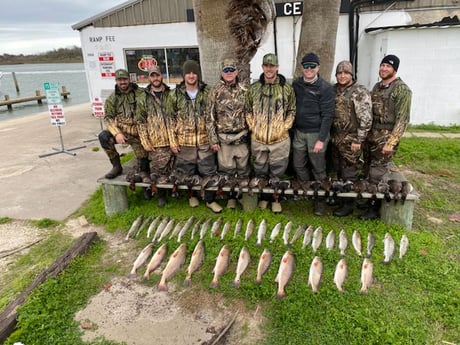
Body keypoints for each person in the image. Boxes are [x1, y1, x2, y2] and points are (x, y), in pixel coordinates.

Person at [360, 54, 412, 220]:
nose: (384, 69)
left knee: (378, 173)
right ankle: (367, 198)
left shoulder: (402, 89)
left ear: (394, 69)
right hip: (371, 136)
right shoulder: (377, 87)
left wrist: (391, 142)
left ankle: (374, 208)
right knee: (367, 168)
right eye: (382, 65)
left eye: (388, 66)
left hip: (386, 137)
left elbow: (403, 119)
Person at [245, 53, 296, 213]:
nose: (269, 68)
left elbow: (292, 110)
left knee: (277, 171)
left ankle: (275, 199)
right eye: (266, 66)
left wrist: (283, 128)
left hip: (279, 140)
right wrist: (254, 127)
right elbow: (247, 110)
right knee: (260, 170)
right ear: (262, 67)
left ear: (277, 67)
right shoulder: (254, 89)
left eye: (272, 66)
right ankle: (263, 197)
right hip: (259, 139)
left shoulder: (286, 88)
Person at [169, 60, 221, 213]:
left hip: (205, 142)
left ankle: (210, 200)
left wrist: (213, 140)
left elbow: (213, 117)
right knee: (186, 173)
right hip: (185, 142)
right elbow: (169, 120)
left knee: (209, 172)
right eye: (188, 73)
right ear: (184, 75)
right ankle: (192, 196)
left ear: (198, 74)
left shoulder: (208, 92)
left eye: (194, 72)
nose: (191, 76)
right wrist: (173, 141)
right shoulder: (174, 95)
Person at [292, 52, 335, 216]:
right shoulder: (296, 85)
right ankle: (305, 188)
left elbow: (328, 115)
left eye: (312, 66)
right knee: (298, 164)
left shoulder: (325, 88)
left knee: (318, 168)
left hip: (316, 134)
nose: (309, 69)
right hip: (299, 132)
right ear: (302, 68)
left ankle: (320, 199)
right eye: (306, 66)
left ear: (318, 67)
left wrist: (321, 139)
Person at [206, 58, 250, 209]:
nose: (229, 73)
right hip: (223, 139)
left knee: (243, 170)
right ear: (221, 72)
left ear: (236, 72)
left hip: (242, 138)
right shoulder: (215, 91)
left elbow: (251, 113)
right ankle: (231, 196)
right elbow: (209, 117)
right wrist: (213, 140)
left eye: (232, 70)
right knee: (227, 170)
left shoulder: (244, 89)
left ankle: (242, 196)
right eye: (226, 70)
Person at [331, 61, 372, 217]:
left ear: (351, 75)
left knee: (349, 171)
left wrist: (359, 140)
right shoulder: (334, 90)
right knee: (338, 170)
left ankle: (348, 204)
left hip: (352, 138)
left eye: (346, 73)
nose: (342, 76)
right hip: (335, 137)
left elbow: (366, 119)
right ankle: (339, 197)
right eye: (339, 73)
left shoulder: (360, 92)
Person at [98, 68, 149, 180]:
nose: (122, 82)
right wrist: (116, 133)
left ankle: (146, 184)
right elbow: (108, 118)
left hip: (139, 133)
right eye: (119, 80)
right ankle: (116, 166)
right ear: (116, 81)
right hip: (123, 132)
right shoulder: (112, 99)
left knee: (143, 166)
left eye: (124, 79)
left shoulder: (141, 93)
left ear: (129, 79)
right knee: (104, 137)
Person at [136, 65, 175, 207]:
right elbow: (140, 121)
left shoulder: (171, 94)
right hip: (155, 142)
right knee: (158, 170)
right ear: (149, 78)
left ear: (161, 76)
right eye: (152, 76)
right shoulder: (143, 98)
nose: (155, 78)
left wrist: (174, 140)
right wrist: (145, 141)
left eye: (157, 75)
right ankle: (161, 195)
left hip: (172, 140)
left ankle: (171, 191)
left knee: (172, 170)